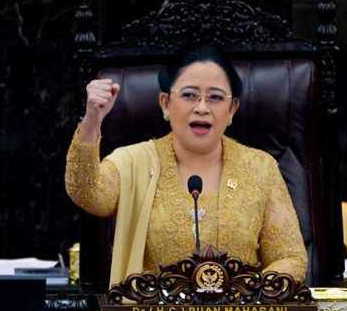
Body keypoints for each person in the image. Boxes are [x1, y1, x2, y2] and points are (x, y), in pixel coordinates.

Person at [65, 45, 307, 286]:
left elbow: (290, 258)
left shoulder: (260, 169)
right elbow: (87, 192)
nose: (202, 108)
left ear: (232, 109)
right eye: (189, 95)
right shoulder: (134, 162)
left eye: (215, 97)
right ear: (166, 104)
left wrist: (248, 297)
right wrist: (91, 122)